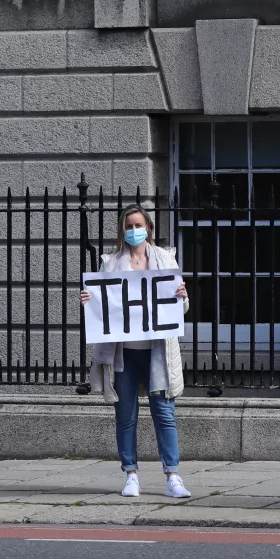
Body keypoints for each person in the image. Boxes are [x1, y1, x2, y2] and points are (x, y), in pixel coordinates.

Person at [80, 204, 192, 498]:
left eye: (138, 225)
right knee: (125, 414)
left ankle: (173, 476)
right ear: (122, 231)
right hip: (124, 353)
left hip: (157, 352)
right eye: (128, 227)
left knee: (164, 413)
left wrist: (182, 297)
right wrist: (90, 299)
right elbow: (105, 306)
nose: (133, 231)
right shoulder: (111, 262)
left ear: (149, 229)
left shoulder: (165, 259)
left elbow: (181, 309)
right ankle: (130, 474)